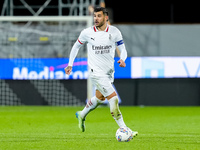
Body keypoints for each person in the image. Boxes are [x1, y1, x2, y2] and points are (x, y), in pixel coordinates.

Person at [65, 7, 138, 137]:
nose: (96, 19)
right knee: (113, 99)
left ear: (106, 18)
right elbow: (76, 46)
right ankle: (125, 129)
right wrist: (70, 64)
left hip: (109, 72)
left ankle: (81, 115)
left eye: (99, 16)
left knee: (100, 98)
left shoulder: (115, 32)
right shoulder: (87, 32)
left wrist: (122, 58)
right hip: (96, 72)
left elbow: (123, 49)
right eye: (95, 16)